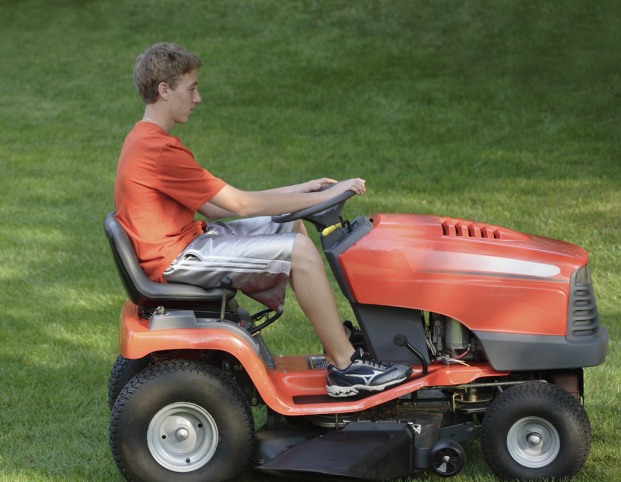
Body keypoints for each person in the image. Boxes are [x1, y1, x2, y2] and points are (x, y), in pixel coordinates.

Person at [114, 42, 412, 398]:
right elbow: (238, 204)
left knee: (289, 224)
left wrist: (302, 190)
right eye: (191, 88)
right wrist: (325, 196)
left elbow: (216, 208)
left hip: (181, 244)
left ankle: (340, 342)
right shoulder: (160, 150)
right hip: (176, 259)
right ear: (164, 90)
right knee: (299, 251)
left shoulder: (145, 139)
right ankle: (346, 369)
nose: (198, 99)